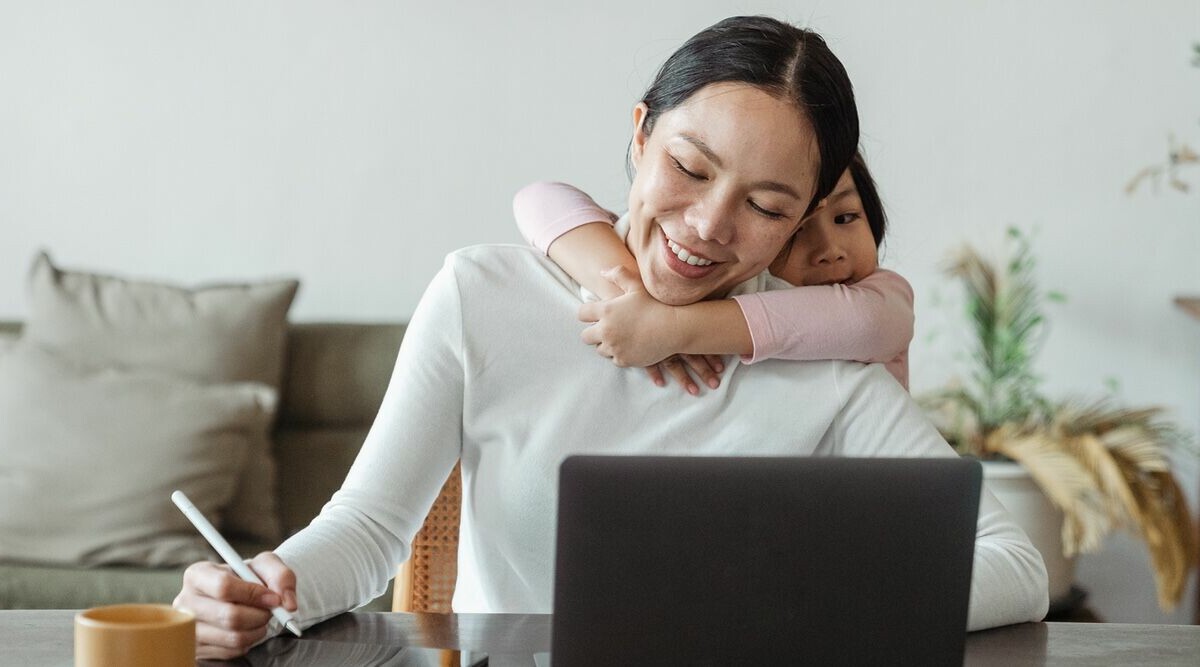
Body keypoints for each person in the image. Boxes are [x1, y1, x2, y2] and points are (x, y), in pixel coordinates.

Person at [174, 16, 1048, 659]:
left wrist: (809, 603)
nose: (707, 225)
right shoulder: (483, 296)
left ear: (803, 220)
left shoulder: (821, 362)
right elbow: (367, 531)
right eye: (690, 168)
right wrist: (259, 587)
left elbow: (1015, 564)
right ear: (639, 136)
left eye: (767, 206)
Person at [512, 151, 914, 393]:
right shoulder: (735, 284)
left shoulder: (881, 297)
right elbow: (539, 198)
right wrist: (628, 294)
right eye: (797, 231)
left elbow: (865, 322)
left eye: (847, 217)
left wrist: (672, 327)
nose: (830, 251)